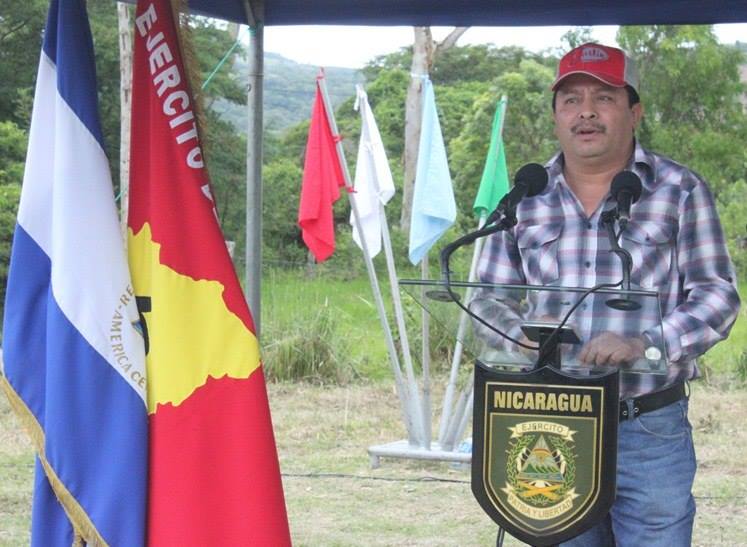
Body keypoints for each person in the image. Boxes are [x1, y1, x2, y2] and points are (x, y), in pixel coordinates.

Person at [471, 43, 741, 546]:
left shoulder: (679, 189)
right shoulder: (523, 198)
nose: (586, 112)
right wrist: (520, 339)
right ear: (555, 116)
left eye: (605, 98)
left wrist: (648, 342)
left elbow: (717, 295)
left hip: (646, 424)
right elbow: (487, 298)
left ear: (634, 112)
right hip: (546, 420)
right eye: (570, 100)